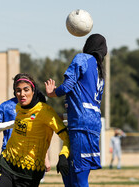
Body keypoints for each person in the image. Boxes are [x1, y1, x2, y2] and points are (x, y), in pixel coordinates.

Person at [45, 33, 107, 187]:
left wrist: (53, 92)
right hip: (92, 125)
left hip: (81, 123)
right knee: (70, 174)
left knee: (79, 177)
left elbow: (67, 86)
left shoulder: (82, 58)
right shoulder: (100, 72)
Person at [0, 73, 70, 187]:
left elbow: (66, 136)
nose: (22, 94)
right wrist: (2, 126)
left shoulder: (46, 112)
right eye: (18, 90)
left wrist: (63, 155)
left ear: (33, 91)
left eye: (26, 90)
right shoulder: (19, 108)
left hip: (30, 174)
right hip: (7, 164)